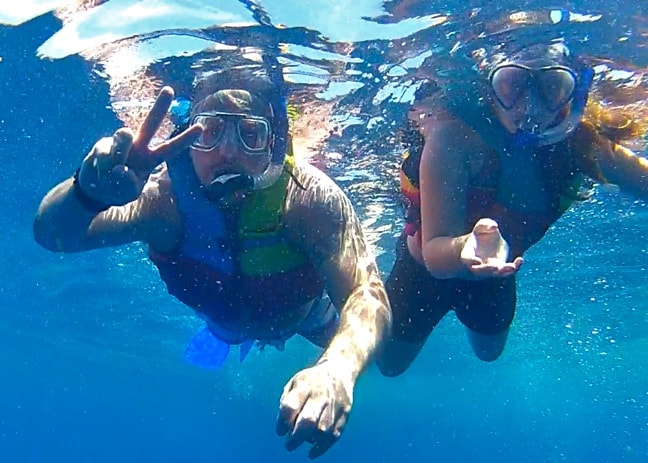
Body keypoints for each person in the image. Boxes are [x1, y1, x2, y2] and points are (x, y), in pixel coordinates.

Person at [33, 66, 391, 458]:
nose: (228, 151)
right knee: (225, 333)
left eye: (249, 134)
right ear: (187, 141)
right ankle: (224, 340)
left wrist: (337, 370)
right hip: (224, 323)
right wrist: (86, 194)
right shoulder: (160, 202)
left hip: (308, 315)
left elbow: (366, 294)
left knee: (384, 359)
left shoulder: (307, 200)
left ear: (273, 144)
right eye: (209, 131)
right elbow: (54, 237)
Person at [377, 40, 648, 376]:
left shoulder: (584, 145)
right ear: (489, 84)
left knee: (489, 354)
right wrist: (467, 247)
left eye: (551, 86)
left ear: (574, 90)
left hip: (497, 274)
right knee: (389, 366)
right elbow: (435, 254)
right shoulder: (452, 137)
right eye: (513, 84)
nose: (530, 105)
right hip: (422, 274)